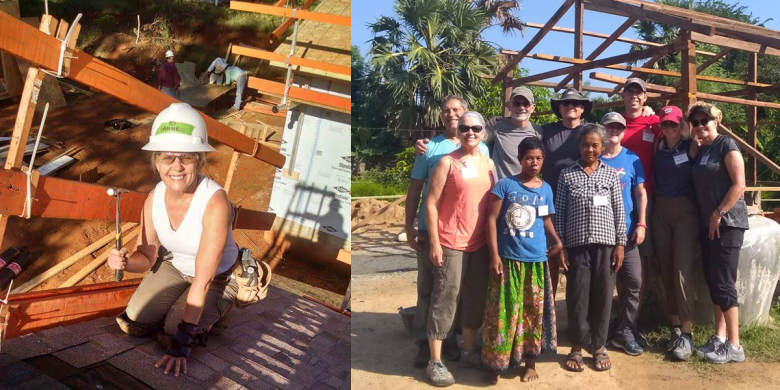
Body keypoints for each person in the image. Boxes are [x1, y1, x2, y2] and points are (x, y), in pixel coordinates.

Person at [108, 103, 239, 377]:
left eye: (186, 157)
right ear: (155, 162)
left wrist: (180, 344)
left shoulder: (215, 203)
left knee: (172, 333)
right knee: (134, 320)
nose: (176, 166)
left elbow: (202, 280)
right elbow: (146, 256)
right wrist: (124, 261)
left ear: (199, 160)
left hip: (214, 278)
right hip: (176, 265)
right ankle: (178, 307)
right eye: (168, 157)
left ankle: (223, 304)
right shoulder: (154, 198)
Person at [405, 96, 489, 368]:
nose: (452, 115)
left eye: (457, 110)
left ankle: (454, 341)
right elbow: (417, 189)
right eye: (446, 111)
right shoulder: (430, 148)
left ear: (467, 113)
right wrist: (410, 227)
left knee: (460, 291)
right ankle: (424, 345)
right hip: (435, 231)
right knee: (431, 290)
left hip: (471, 236)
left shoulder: (484, 152)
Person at [423, 112, 496, 387]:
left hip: (479, 245)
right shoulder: (447, 162)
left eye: (475, 128)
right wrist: (434, 243)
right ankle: (435, 361)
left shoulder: (488, 163)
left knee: (474, 299)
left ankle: (467, 352)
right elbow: (431, 203)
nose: (470, 132)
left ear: (482, 132)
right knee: (445, 298)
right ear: (458, 130)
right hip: (451, 242)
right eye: (465, 128)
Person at [482, 137, 561, 384]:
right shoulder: (506, 186)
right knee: (502, 313)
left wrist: (557, 241)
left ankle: (530, 363)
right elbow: (491, 220)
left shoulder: (545, 189)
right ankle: (495, 364)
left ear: (543, 160)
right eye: (529, 158)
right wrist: (494, 255)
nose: (534, 163)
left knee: (532, 313)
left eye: (538, 159)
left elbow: (545, 218)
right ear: (520, 159)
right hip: (508, 261)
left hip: (536, 262)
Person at [554, 124, 625, 372]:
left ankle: (598, 346)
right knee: (577, 295)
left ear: (602, 147)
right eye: (586, 144)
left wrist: (620, 245)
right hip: (576, 246)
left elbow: (619, 211)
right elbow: (559, 213)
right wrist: (561, 246)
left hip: (606, 245)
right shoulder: (567, 175)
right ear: (579, 146)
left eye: (595, 145)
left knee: (603, 295)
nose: (590, 149)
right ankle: (576, 346)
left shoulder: (610, 174)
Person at [688, 101, 748, 364]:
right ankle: (720, 337)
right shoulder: (702, 149)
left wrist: (718, 213)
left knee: (724, 281)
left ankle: (735, 346)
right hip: (708, 225)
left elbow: (739, 185)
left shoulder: (726, 145)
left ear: (716, 121)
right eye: (696, 122)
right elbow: (688, 154)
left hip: (728, 223)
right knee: (713, 280)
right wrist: (692, 134)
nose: (700, 126)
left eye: (705, 121)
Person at [651, 105, 700, 361]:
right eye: (665, 124)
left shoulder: (691, 145)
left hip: (685, 212)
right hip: (661, 211)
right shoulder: (657, 146)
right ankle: (674, 328)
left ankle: (687, 331)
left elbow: (707, 131)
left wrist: (693, 117)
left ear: (681, 124)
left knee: (682, 270)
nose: (669, 129)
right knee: (666, 268)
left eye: (673, 124)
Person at [414, 86, 542, 180]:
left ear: (532, 107)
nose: (521, 107)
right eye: (517, 103)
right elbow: (468, 137)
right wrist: (428, 145)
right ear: (509, 105)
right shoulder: (496, 126)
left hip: (527, 192)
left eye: (526, 103)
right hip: (501, 195)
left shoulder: (539, 132)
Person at [599, 112, 647, 356]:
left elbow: (640, 193)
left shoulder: (632, 158)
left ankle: (626, 329)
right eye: (609, 127)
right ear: (603, 129)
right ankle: (602, 329)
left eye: (618, 127)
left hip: (627, 233)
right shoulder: (593, 157)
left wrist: (641, 223)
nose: (613, 131)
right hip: (600, 233)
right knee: (604, 284)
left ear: (624, 130)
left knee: (633, 281)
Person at [541, 88, 592, 298]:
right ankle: (549, 315)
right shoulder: (546, 131)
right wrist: (497, 120)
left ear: (582, 109)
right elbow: (519, 128)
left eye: (576, 104)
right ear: (559, 108)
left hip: (579, 203)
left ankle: (578, 315)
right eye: (566, 103)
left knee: (578, 255)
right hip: (550, 201)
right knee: (551, 254)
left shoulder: (590, 132)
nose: (571, 106)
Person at [619, 79, 659, 345]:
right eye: (630, 91)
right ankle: (621, 317)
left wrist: (655, 111)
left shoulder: (654, 123)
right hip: (618, 200)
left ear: (644, 98)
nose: (634, 96)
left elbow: (683, 132)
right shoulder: (614, 123)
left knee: (641, 260)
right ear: (623, 96)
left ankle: (632, 320)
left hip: (648, 198)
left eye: (639, 92)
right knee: (619, 259)